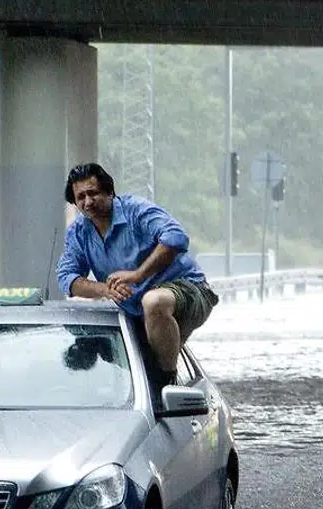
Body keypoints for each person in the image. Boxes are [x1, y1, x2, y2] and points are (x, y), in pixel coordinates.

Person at [55, 162, 218, 391]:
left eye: (93, 193)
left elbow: (176, 237)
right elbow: (66, 278)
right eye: (80, 197)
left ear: (110, 192)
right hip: (135, 313)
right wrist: (105, 289)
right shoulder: (78, 232)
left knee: (153, 301)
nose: (88, 201)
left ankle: (168, 382)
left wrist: (137, 275)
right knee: (78, 322)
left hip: (187, 290)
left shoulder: (136, 210)